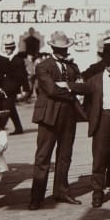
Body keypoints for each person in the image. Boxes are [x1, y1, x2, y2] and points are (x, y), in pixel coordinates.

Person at [70, 38, 110, 208]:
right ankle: (98, 194)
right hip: (103, 121)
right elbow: (81, 88)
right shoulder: (95, 80)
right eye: (109, 62)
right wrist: (65, 85)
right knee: (99, 158)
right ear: (104, 62)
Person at [29, 31, 86, 210]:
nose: (63, 52)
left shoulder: (72, 66)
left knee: (65, 156)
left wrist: (68, 86)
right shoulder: (43, 66)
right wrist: (71, 92)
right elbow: (51, 90)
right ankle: (36, 197)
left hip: (68, 116)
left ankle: (61, 191)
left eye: (65, 49)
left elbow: (83, 87)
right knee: (43, 157)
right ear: (53, 48)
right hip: (48, 116)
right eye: (60, 49)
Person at [2, 35, 27, 134]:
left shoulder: (18, 60)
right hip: (6, 87)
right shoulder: (5, 59)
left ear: (13, 48)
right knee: (11, 108)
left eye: (9, 48)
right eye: (6, 48)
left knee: (6, 107)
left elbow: (23, 75)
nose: (7, 50)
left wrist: (25, 89)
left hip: (13, 87)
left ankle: (0, 127)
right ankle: (19, 128)